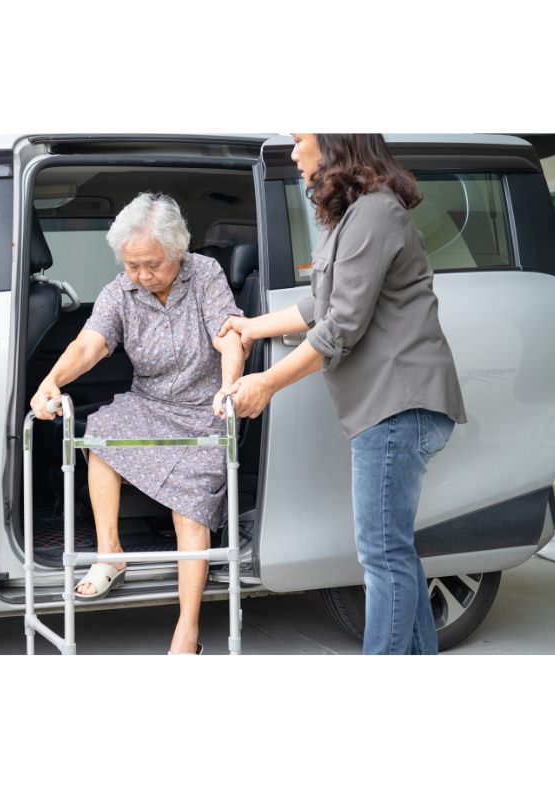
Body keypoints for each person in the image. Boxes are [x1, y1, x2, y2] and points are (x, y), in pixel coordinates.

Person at [220, 134, 467, 655]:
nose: (293, 153)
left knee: (382, 556)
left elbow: (341, 327)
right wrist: (251, 327)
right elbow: (322, 304)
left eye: (299, 139)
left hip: (399, 404)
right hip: (387, 406)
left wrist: (267, 382)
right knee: (392, 554)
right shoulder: (353, 216)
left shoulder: (375, 213)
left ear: (334, 140)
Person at [30, 192, 245, 655]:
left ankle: (187, 631)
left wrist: (229, 387)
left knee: (190, 508)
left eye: (152, 264)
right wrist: (51, 381)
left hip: (204, 408)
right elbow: (90, 344)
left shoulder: (205, 275)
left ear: (177, 252)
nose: (142, 275)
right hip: (151, 403)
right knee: (101, 434)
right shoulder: (119, 292)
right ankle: (111, 553)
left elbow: (229, 335)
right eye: (132, 265)